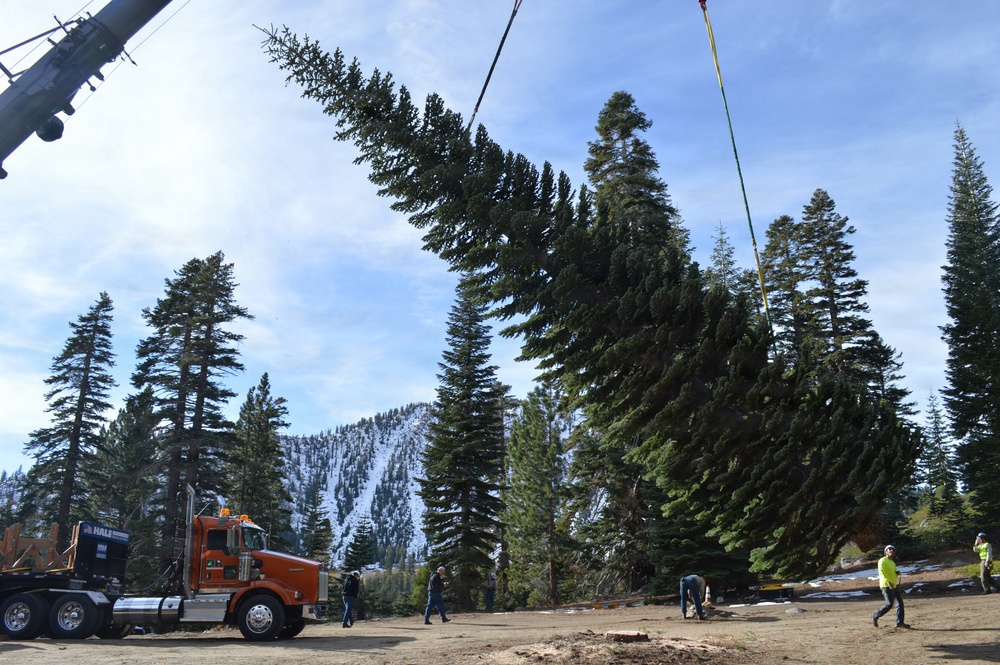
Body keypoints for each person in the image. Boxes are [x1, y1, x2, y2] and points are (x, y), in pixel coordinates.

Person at [872, 545, 909, 629]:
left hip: (894, 585)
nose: (891, 550)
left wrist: (896, 574)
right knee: (889, 604)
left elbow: (891, 573)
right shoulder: (882, 560)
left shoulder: (892, 563)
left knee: (900, 604)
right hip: (886, 585)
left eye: (893, 549)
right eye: (889, 549)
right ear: (886, 551)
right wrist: (888, 581)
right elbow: (882, 573)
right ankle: (875, 614)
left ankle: (900, 623)